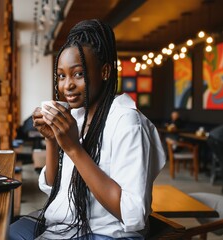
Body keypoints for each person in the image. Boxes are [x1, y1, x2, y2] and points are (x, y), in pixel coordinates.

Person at [9, 19, 166, 239]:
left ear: (104, 71)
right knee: (2, 234)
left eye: (78, 74)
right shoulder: (77, 117)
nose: (67, 85)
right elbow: (53, 187)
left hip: (106, 233)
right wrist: (53, 140)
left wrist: (74, 148)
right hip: (65, 223)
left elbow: (133, 214)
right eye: (62, 76)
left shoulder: (127, 122)